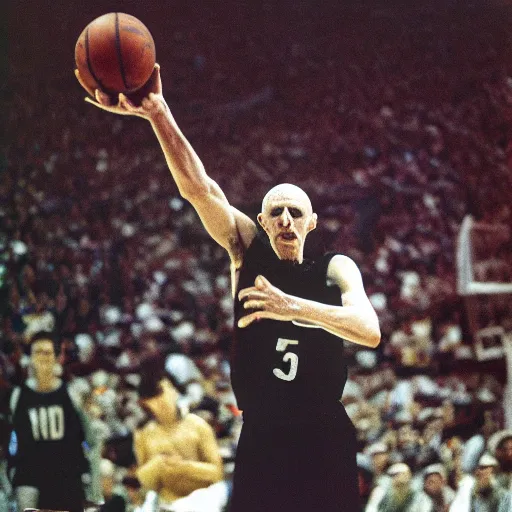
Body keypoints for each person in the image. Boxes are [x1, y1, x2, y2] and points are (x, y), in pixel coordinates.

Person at [75, 63, 381, 512]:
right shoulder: (246, 250)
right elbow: (201, 190)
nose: (286, 220)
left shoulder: (336, 268)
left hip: (323, 429)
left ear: (312, 223)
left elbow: (369, 330)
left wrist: (289, 306)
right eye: (275, 212)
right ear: (261, 221)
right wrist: (158, 112)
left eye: (296, 212)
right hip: (264, 430)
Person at [8, 330, 98, 512]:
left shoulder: (71, 394)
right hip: (30, 475)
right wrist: (11, 472)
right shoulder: (18, 396)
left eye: (47, 352)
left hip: (65, 474)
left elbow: (90, 440)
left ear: (57, 358)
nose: (42, 358)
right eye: (37, 352)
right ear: (30, 357)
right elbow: (12, 440)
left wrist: (91, 482)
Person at [133, 371, 223, 506]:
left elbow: (217, 473)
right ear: (145, 403)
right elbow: (144, 481)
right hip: (167, 503)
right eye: (155, 398)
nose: (161, 400)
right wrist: (158, 464)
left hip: (203, 501)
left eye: (164, 392)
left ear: (174, 392)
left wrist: (183, 467)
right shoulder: (143, 434)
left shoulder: (198, 425)